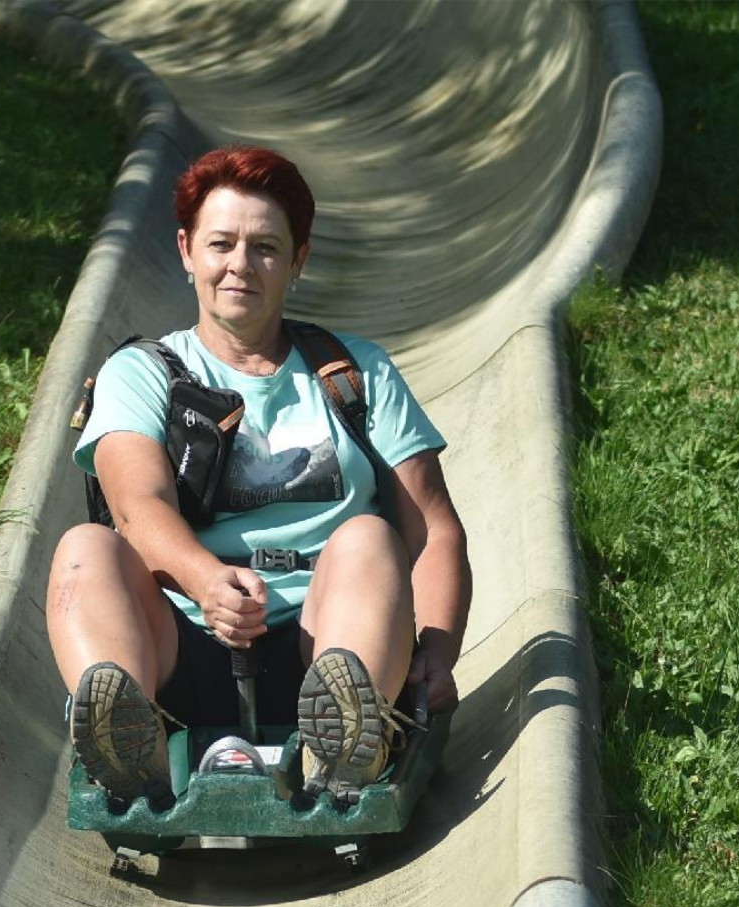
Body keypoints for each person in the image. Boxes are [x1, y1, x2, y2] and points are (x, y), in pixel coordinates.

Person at [46, 144, 470, 804]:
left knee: (369, 537)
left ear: (297, 260)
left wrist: (438, 652)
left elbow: (433, 530)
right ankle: (128, 738)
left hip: (327, 639)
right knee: (86, 547)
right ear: (187, 252)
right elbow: (138, 506)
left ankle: (343, 741)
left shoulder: (356, 374)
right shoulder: (141, 373)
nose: (240, 264)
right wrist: (206, 581)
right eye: (221, 244)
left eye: (266, 248)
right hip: (185, 640)